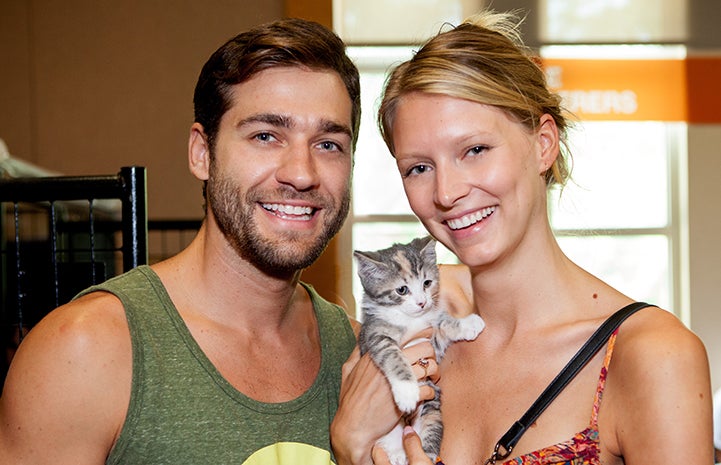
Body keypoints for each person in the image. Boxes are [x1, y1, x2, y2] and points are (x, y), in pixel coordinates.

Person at [0, 17, 419, 465]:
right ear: (202, 153)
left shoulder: (359, 354)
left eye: (329, 144)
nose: (301, 173)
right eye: (265, 136)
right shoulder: (83, 352)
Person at [331, 10, 713, 465]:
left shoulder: (651, 357)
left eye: (475, 150)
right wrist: (350, 447)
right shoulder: (414, 332)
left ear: (543, 144)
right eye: (419, 168)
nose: (447, 193)